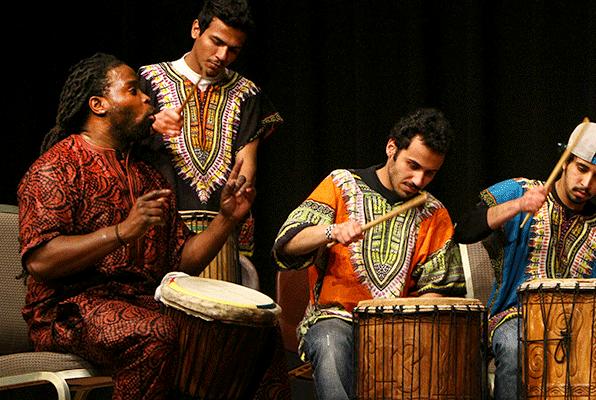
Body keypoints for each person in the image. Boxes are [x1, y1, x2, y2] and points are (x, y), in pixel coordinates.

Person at [20, 53, 256, 400]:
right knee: (154, 332)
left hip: (140, 303)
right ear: (98, 104)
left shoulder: (147, 176)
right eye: (132, 91)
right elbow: (40, 260)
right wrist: (121, 232)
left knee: (250, 336)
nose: (147, 98)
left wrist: (226, 219)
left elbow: (182, 261)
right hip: (67, 311)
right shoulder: (56, 166)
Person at [271, 108, 466, 400]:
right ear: (392, 149)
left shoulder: (434, 213)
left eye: (430, 173)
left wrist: (408, 327)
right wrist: (331, 232)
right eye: (412, 165)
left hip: (401, 327)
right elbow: (286, 244)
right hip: (335, 319)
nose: (419, 180)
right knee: (330, 342)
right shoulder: (341, 184)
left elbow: (438, 289)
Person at [453, 122, 596, 400]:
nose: (586, 183)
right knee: (514, 347)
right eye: (581, 169)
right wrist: (518, 206)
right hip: (514, 317)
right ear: (564, 161)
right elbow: (464, 230)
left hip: (578, 331)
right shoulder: (520, 191)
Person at [138, 0, 283, 260]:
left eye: (233, 51)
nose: (222, 56)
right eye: (216, 42)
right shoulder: (147, 79)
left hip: (221, 232)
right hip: (159, 227)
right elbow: (116, 139)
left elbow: (246, 160)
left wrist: (238, 196)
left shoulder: (247, 93)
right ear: (196, 29)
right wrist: (151, 125)